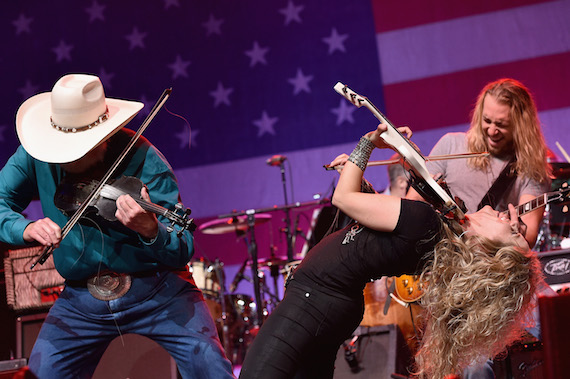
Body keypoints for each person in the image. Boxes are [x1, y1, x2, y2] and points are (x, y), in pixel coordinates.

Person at [238, 123, 543, 379]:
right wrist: (356, 172)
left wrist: (367, 144)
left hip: (313, 304)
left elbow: (344, 199)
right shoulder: (438, 238)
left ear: (486, 248)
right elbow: (376, 226)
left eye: (511, 231)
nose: (508, 217)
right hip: (328, 305)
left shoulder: (427, 224)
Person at [0, 74, 235, 378]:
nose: (65, 161)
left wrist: (151, 230)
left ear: (103, 137)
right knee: (41, 374)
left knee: (210, 367)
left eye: (77, 151)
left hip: (157, 289)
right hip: (80, 299)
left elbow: (182, 245)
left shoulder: (145, 158)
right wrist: (24, 229)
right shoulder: (39, 154)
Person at [407, 78, 551, 377]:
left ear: (521, 126)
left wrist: (512, 228)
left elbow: (530, 234)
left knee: (551, 325)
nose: (492, 130)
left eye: (502, 124)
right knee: (475, 362)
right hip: (458, 274)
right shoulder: (451, 145)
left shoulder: (528, 164)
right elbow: (411, 207)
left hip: (501, 276)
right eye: (487, 120)